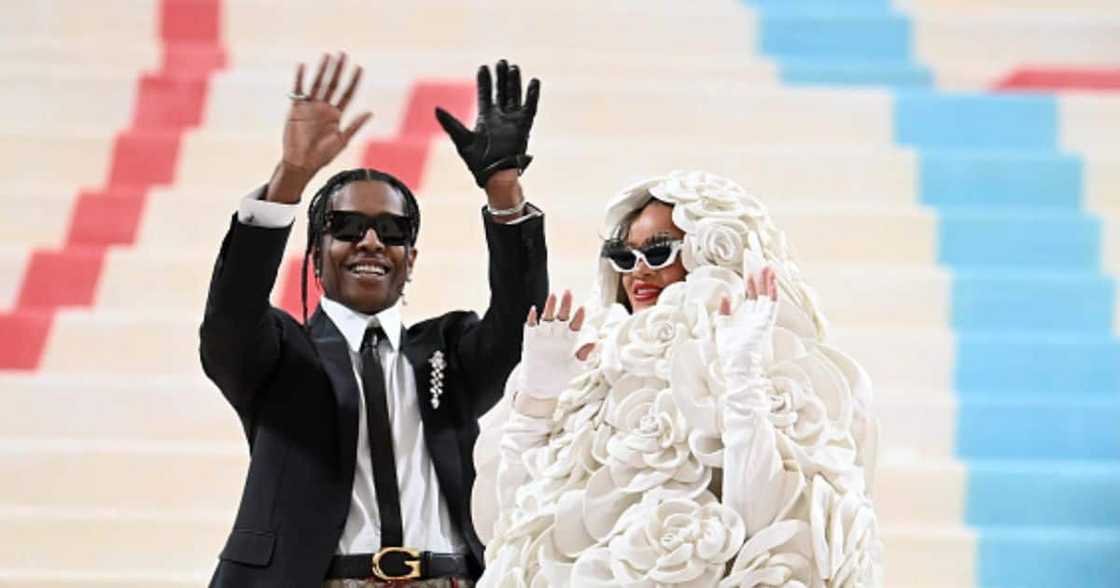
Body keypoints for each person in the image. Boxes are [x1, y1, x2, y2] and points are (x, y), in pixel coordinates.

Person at [199, 53, 548, 587]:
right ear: (316, 252)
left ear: (411, 255)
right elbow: (231, 312)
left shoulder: (447, 351)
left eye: (392, 231)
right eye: (347, 226)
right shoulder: (278, 356)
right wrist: (289, 181)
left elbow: (520, 323)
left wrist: (503, 192)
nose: (370, 242)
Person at [472, 171, 882, 586]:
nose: (638, 273)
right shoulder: (590, 366)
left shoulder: (777, 368)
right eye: (624, 257)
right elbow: (514, 527)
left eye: (658, 253)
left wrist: (741, 376)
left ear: (713, 255)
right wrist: (537, 405)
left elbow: (764, 525)